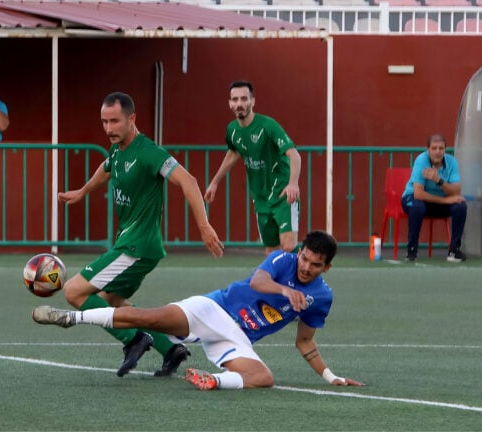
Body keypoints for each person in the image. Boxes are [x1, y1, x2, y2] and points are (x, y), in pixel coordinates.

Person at [32, 230, 365, 391]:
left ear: (327, 268)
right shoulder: (283, 259)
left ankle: (211, 380)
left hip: (236, 337)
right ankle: (71, 318)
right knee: (149, 318)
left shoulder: (321, 297)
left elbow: (305, 342)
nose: (306, 266)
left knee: (263, 378)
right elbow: (259, 282)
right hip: (213, 309)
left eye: (315, 264)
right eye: (304, 258)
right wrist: (285, 289)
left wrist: (331, 376)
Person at [54, 92, 224, 378]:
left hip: (136, 246)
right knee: (112, 302)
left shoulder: (148, 151)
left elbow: (189, 181)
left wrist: (204, 226)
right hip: (134, 245)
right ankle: (169, 347)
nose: (108, 128)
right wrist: (83, 191)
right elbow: (107, 168)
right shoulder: (118, 149)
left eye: (115, 121)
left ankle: (133, 339)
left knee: (73, 291)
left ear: (132, 119)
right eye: (104, 121)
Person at [204, 80, 302, 255]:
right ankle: (276, 282)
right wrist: (215, 182)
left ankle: (307, 273)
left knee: (288, 246)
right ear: (230, 103)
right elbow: (234, 152)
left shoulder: (268, 125)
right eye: (235, 100)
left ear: (252, 101)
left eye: (244, 99)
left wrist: (293, 183)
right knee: (272, 250)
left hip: (283, 193)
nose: (239, 104)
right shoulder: (232, 130)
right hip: (260, 197)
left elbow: (294, 154)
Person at [401, 134, 467, 262]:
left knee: (461, 206)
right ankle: (412, 250)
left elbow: (456, 190)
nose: (438, 152)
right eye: (434, 148)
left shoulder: (452, 161)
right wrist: (445, 200)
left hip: (437, 202)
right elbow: (418, 194)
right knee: (417, 207)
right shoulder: (421, 160)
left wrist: (439, 180)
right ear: (428, 149)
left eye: (441, 148)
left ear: (445, 149)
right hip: (415, 199)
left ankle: (454, 250)